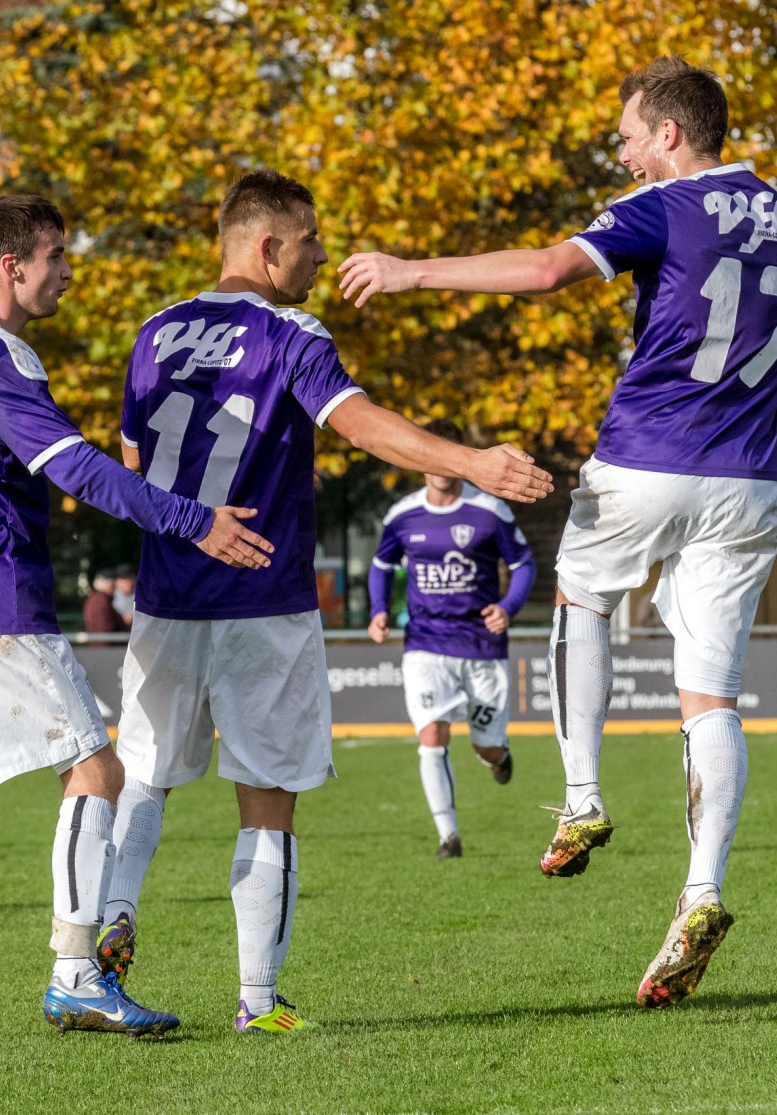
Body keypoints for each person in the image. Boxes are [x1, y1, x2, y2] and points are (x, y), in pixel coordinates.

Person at [338, 56, 777, 1009]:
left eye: (630, 135)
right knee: (710, 698)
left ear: (671, 136)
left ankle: (582, 796)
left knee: (580, 594)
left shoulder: (665, 203)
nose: (624, 150)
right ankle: (702, 888)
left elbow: (546, 270)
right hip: (754, 477)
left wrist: (410, 272)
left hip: (651, 455)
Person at [97, 170, 552, 1034]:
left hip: (164, 598)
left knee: (146, 781)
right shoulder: (291, 331)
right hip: (262, 600)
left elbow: (130, 467)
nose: (320, 254)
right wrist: (473, 463)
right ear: (267, 247)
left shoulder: (154, 333)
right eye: (310, 239)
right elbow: (363, 424)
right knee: (268, 795)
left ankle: (111, 925)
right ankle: (259, 1002)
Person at [0, 193, 276, 1048]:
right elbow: (71, 463)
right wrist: (195, 519)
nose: (68, 270)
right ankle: (77, 975)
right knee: (96, 769)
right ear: (13, 266)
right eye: (57, 255)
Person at [366, 418, 538, 857]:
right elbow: (381, 566)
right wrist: (379, 610)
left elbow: (523, 565)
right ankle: (449, 836)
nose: (441, 463)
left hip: (481, 644)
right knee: (432, 736)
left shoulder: (490, 510)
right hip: (425, 642)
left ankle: (498, 757)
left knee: (486, 746)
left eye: (449, 450)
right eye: (431, 450)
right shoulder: (402, 515)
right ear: (420, 457)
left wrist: (507, 607)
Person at [83, 569, 128, 634]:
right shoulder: (100, 601)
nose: (115, 588)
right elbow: (104, 629)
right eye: (113, 585)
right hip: (108, 642)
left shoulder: (97, 599)